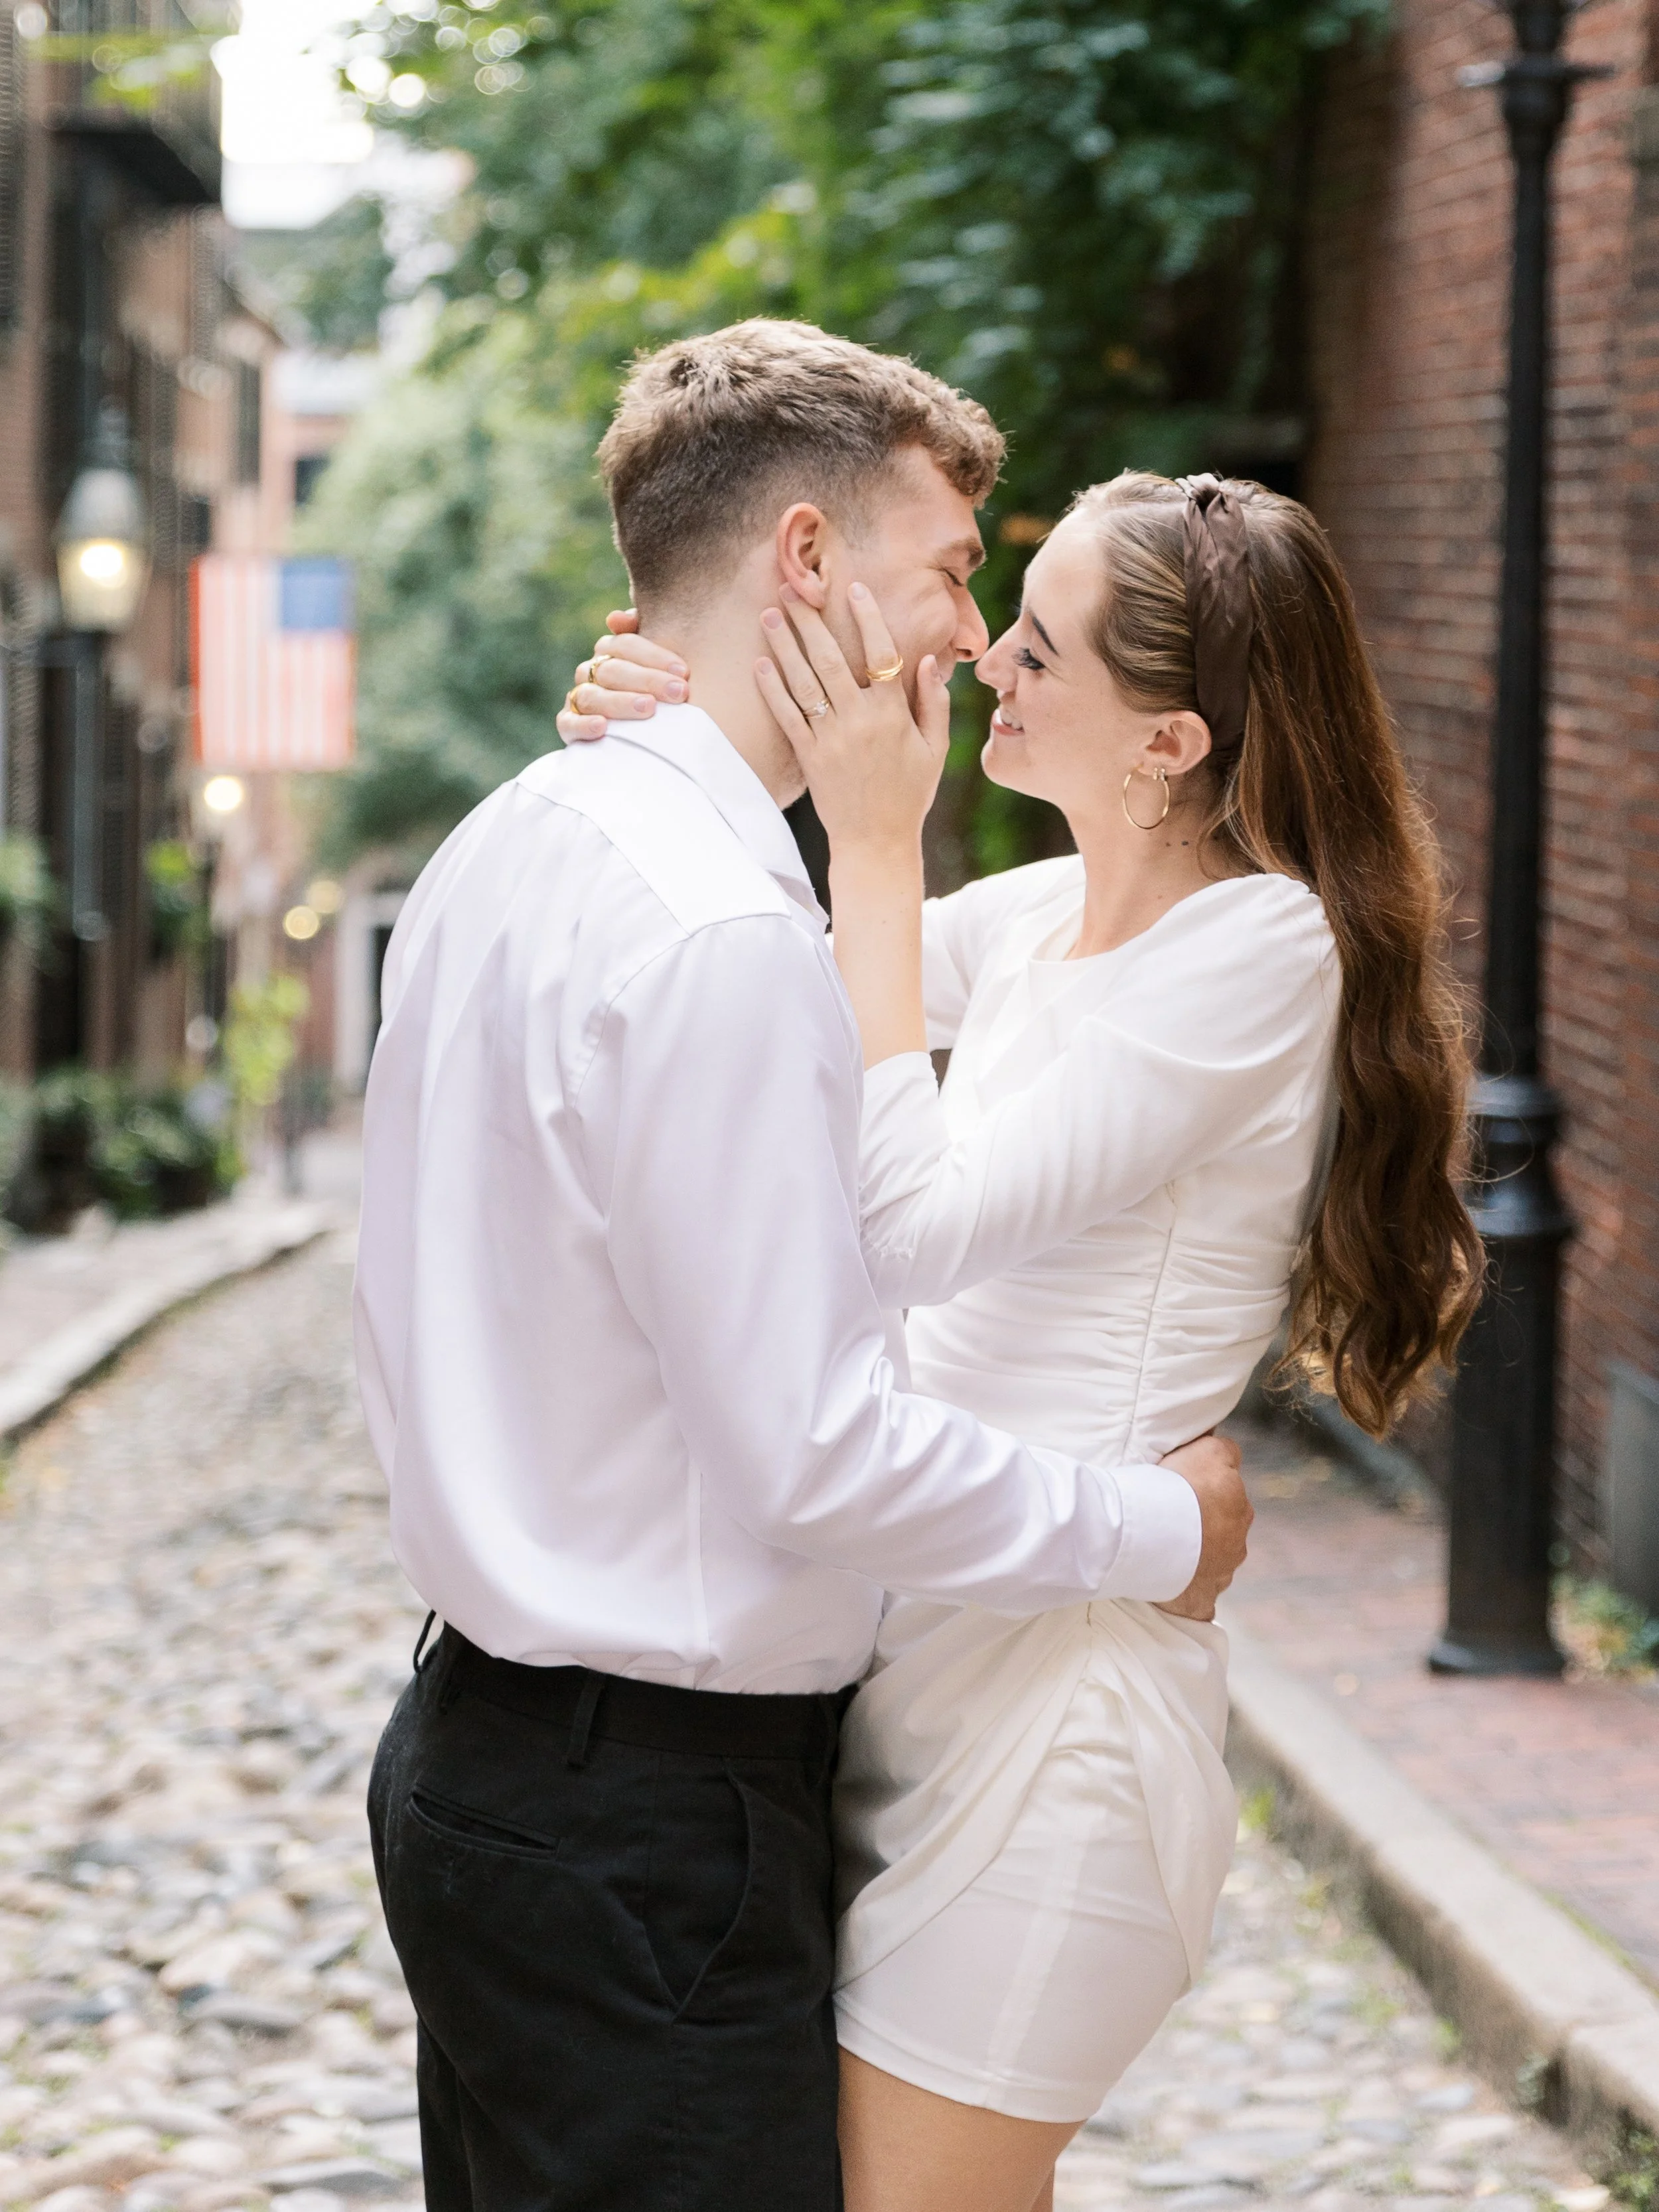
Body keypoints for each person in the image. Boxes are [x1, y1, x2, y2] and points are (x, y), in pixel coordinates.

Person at [356, 320, 1252, 2212]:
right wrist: (1157, 1529)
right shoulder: (712, 935)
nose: (963, 631)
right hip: (646, 1829)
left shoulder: (517, 837)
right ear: (802, 561)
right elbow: (811, 1452)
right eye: (942, 572)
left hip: (486, 1770)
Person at [559, 466, 1481, 2212]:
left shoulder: (1257, 951)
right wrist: (666, 718)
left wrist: (882, 837)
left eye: (1038, 649)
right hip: (920, 1691)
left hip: (1058, 1742)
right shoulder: (1055, 924)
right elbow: (800, 962)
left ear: (1169, 744)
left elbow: (900, 1226)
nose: (986, 663)